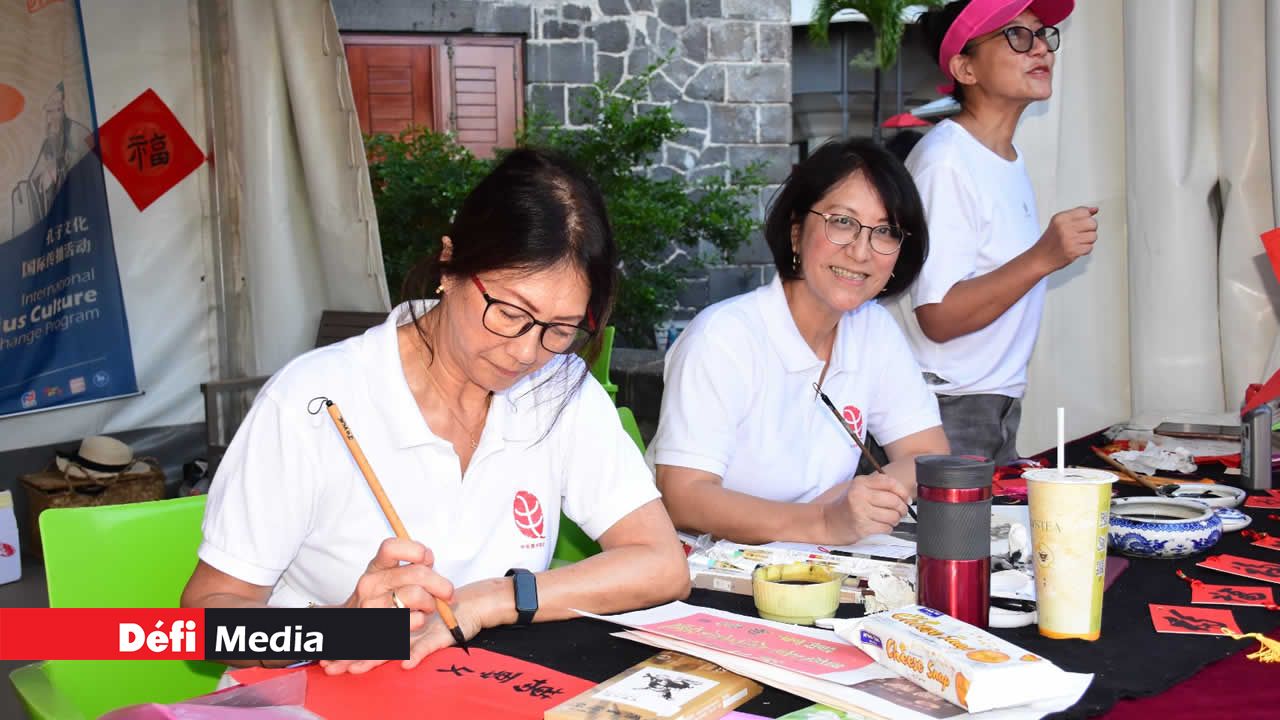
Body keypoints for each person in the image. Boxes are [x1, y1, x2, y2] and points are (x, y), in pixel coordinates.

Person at [182, 149, 690, 674]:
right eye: (511, 312)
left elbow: (660, 563)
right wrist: (334, 629)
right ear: (451, 263)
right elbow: (203, 622)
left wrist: (490, 600)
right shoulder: (316, 399)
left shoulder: (557, 388)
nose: (525, 352)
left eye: (560, 329)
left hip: (471, 690)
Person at [648, 138, 950, 546]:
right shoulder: (723, 337)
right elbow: (683, 496)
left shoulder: (874, 330)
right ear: (796, 233)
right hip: (706, 572)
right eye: (842, 222)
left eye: (885, 231)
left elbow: (928, 454)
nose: (861, 251)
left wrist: (849, 502)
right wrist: (822, 521)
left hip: (817, 567)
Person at [902, 0, 1097, 463]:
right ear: (965, 68)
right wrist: (1043, 256)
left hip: (992, 403)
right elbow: (939, 316)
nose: (1040, 50)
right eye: (1017, 36)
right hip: (948, 409)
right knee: (953, 538)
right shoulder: (945, 163)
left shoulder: (1004, 159)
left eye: (1043, 35)